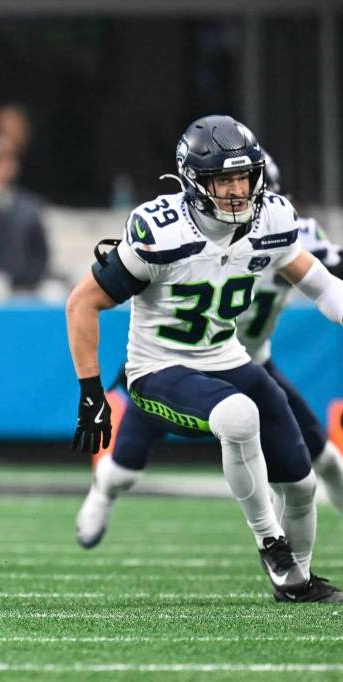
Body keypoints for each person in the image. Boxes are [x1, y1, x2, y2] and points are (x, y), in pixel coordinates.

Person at [66, 115, 343, 603]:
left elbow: (322, 286)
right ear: (195, 181)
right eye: (223, 179)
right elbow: (82, 302)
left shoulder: (274, 221)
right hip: (158, 368)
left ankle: (296, 582)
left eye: (243, 177)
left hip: (229, 358)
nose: (237, 191)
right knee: (236, 417)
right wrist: (92, 392)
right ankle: (270, 543)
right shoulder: (161, 232)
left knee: (300, 486)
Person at [0, 134, 49, 295]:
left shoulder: (29, 208)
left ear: (13, 166)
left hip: (22, 292)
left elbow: (40, 257)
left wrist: (15, 281)